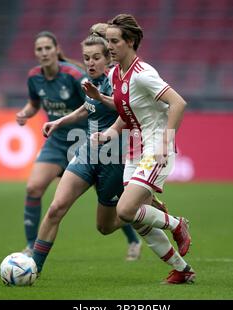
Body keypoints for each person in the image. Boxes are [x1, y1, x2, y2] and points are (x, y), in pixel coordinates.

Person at [83, 14, 195, 283]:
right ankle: (183, 270)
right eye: (107, 41)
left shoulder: (144, 74)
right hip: (135, 149)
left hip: (154, 147)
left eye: (114, 41)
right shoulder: (116, 73)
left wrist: (165, 142)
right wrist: (108, 124)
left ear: (130, 42)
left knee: (124, 210)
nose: (109, 46)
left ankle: (178, 224)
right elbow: (127, 110)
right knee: (136, 219)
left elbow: (178, 102)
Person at [16, 30, 141, 260]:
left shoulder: (75, 76)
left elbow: (95, 108)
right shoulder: (34, 77)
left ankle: (133, 238)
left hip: (84, 138)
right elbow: (35, 104)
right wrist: (27, 113)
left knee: (108, 203)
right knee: (35, 189)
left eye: (47, 48)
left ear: (56, 49)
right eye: (39, 49)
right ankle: (31, 248)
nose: (43, 53)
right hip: (56, 141)